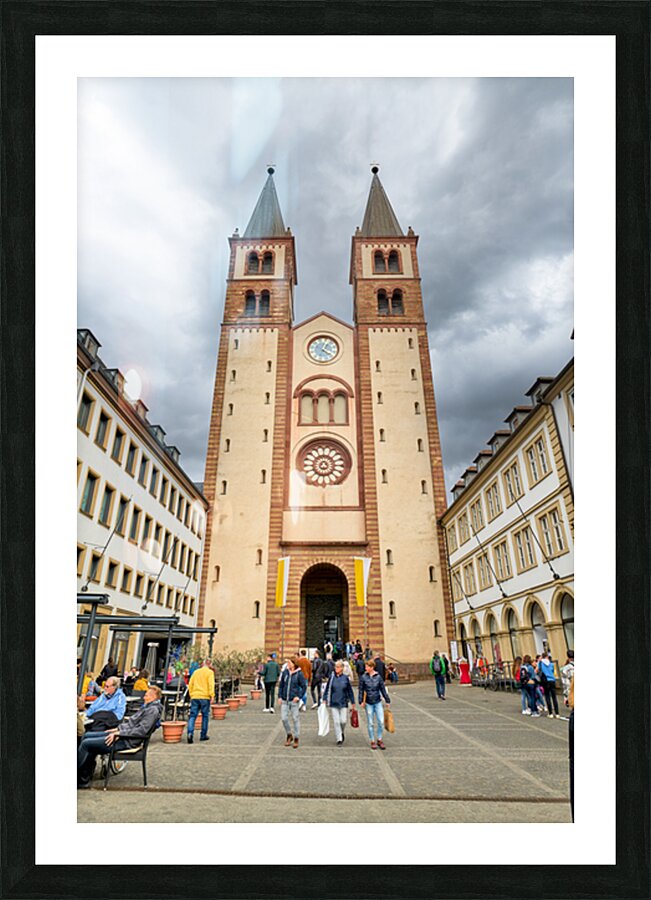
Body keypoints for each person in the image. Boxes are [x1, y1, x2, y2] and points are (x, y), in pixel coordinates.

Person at [77, 686, 163, 787]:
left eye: (146, 695)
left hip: (127, 741)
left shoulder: (152, 710)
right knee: (86, 735)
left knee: (87, 744)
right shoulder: (148, 707)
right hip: (123, 735)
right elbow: (131, 724)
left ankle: (79, 776)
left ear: (153, 697)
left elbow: (141, 731)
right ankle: (84, 775)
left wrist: (120, 733)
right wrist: (118, 729)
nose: (144, 697)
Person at [358, 659, 391, 750]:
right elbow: (361, 689)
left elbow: (383, 689)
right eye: (366, 666)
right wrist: (361, 701)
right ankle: (372, 740)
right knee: (371, 723)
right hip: (368, 702)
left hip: (377, 701)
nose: (366, 668)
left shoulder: (378, 677)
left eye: (367, 667)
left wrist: (387, 700)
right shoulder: (363, 677)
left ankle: (379, 739)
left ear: (372, 667)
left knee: (381, 721)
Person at [323, 660, 356, 746]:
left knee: (343, 721)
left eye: (338, 667)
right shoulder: (332, 677)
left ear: (342, 668)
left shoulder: (345, 678)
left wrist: (353, 702)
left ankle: (341, 731)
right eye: (335, 667)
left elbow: (350, 691)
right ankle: (339, 739)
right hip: (334, 702)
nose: (336, 668)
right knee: (336, 722)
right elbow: (327, 688)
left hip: (343, 702)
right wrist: (324, 698)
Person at [277, 657, 307, 748]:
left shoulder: (299, 674)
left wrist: (299, 696)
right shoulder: (285, 672)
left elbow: (304, 686)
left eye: (289, 663)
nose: (288, 664)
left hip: (294, 700)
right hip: (285, 700)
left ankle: (296, 737)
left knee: (295, 718)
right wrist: (279, 696)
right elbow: (281, 685)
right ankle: (289, 734)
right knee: (283, 718)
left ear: (294, 664)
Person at [187, 658, 215, 743]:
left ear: (203, 664)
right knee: (205, 716)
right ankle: (203, 735)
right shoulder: (210, 673)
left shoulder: (196, 672)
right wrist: (212, 695)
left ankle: (190, 733)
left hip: (195, 696)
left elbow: (190, 684)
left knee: (192, 716)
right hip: (205, 697)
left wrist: (191, 694)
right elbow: (211, 684)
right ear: (210, 665)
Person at [538, 650, 560, 718]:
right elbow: (552, 671)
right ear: (547, 656)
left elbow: (538, 670)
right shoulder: (551, 664)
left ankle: (550, 713)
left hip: (545, 680)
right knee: (554, 697)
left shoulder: (540, 663)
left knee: (547, 696)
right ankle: (557, 713)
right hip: (552, 680)